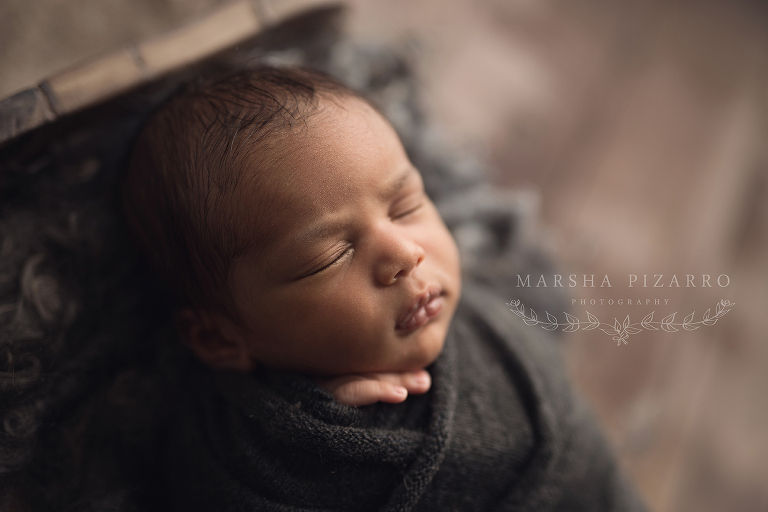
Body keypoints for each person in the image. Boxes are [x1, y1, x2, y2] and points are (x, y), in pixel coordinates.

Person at [122, 66, 647, 511]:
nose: (404, 255)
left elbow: (579, 449)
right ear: (219, 339)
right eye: (329, 256)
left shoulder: (493, 332)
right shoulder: (228, 447)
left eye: (406, 206)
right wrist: (312, 438)